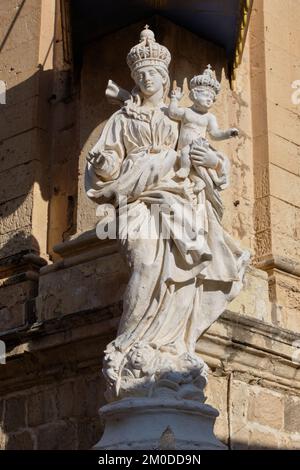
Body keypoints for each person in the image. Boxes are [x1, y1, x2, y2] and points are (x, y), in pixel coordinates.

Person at [86, 26, 249, 402]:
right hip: (135, 195)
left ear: (163, 77)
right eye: (141, 75)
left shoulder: (181, 115)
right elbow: (106, 164)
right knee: (144, 260)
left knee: (180, 271)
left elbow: (206, 152)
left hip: (177, 196)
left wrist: (214, 161)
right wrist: (105, 161)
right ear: (136, 78)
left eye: (153, 74)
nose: (146, 79)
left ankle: (169, 346)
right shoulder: (121, 119)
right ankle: (131, 343)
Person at [169, 65, 238, 183]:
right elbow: (173, 113)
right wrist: (174, 100)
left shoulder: (209, 117)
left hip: (199, 146)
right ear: (195, 95)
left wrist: (227, 134)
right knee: (186, 154)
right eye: (206, 95)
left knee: (195, 158)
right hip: (183, 148)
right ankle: (187, 171)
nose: (209, 100)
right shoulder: (187, 112)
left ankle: (213, 178)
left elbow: (214, 134)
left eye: (212, 98)